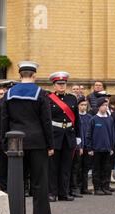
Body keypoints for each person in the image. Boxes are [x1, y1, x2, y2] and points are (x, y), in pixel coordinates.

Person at [1, 61, 54, 214]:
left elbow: (4, 120)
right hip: (37, 141)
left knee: (17, 182)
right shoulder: (40, 93)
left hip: (16, 142)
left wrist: (5, 143)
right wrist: (50, 144)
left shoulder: (9, 94)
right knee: (40, 182)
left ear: (19, 75)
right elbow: (46, 121)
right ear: (34, 75)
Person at [46, 71, 81, 202]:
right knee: (53, 166)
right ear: (54, 85)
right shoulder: (49, 99)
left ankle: (64, 193)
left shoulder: (72, 98)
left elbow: (76, 119)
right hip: (55, 135)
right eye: (59, 84)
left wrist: (78, 135)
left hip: (69, 136)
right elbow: (47, 120)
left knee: (66, 167)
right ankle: (52, 193)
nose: (61, 86)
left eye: (63, 84)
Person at [86, 97, 114, 196]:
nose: (105, 107)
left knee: (106, 169)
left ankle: (105, 187)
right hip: (96, 149)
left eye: (106, 105)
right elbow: (89, 135)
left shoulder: (110, 119)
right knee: (96, 169)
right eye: (103, 105)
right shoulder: (93, 119)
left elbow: (112, 134)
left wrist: (111, 147)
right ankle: (97, 188)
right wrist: (89, 148)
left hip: (107, 148)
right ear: (98, 107)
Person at [76, 97, 93, 194]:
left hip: (87, 146)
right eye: (81, 105)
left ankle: (84, 187)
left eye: (85, 105)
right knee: (78, 167)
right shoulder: (76, 117)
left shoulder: (89, 117)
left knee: (86, 168)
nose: (83, 107)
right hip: (79, 146)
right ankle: (77, 187)